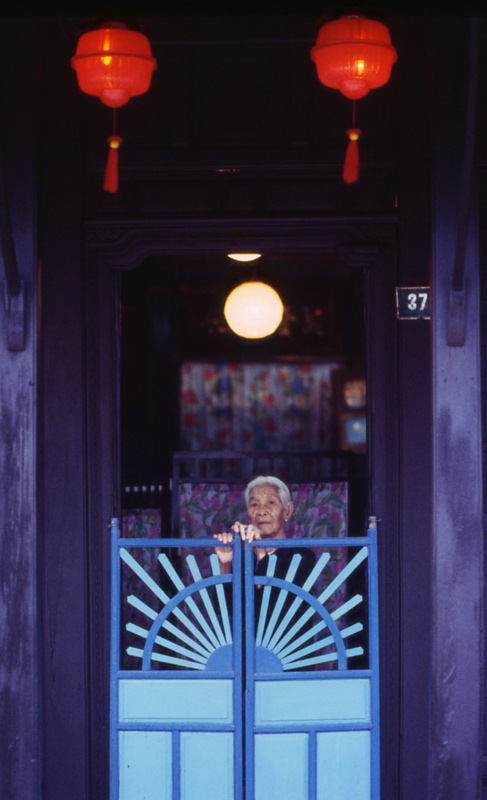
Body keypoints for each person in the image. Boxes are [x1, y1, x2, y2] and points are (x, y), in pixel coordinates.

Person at [213, 474, 315, 587]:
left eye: (271, 503)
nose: (261, 511)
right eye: (254, 504)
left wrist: (261, 552)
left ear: (287, 511)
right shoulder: (240, 560)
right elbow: (221, 605)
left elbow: (278, 602)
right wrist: (225, 566)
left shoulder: (303, 557)